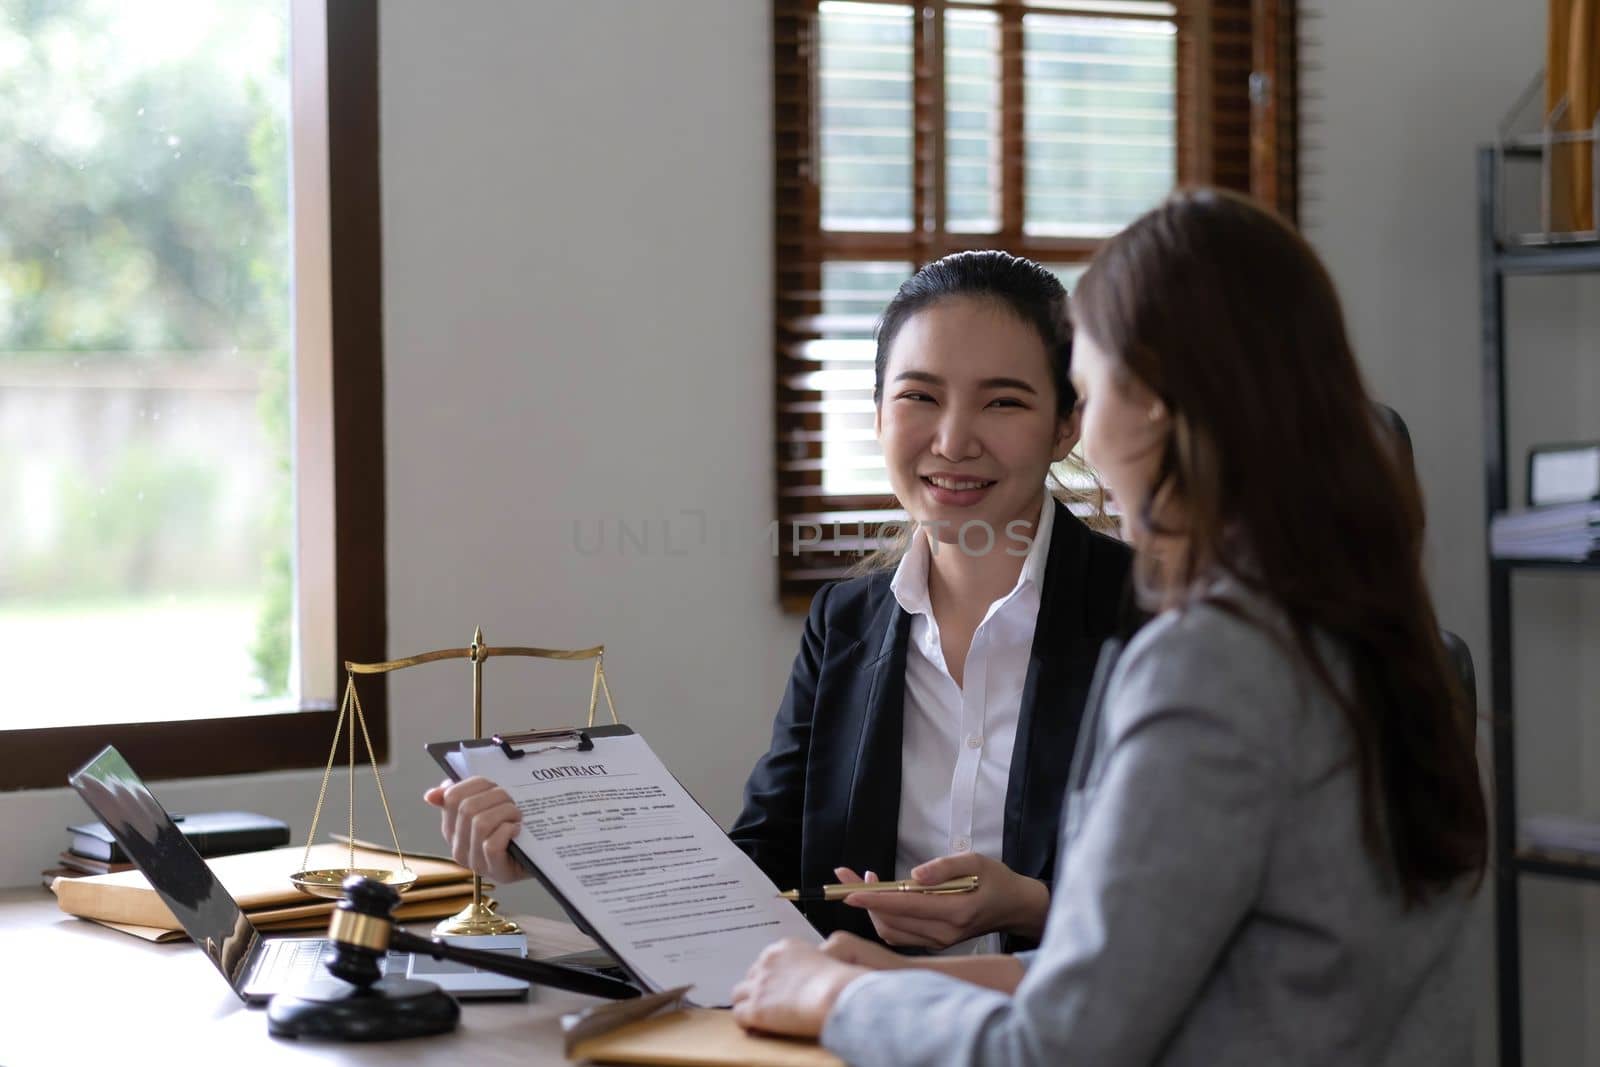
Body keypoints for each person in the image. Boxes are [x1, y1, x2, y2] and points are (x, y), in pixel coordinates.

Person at [728, 189, 1489, 1066]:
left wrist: (843, 997)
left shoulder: (1210, 660)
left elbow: (1062, 1044)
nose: (1084, 429)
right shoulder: (1337, 626)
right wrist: (866, 980)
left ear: (1149, 404)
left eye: (1082, 390)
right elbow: (1157, 976)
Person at [426, 251, 1133, 955]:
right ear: (879, 413)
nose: (953, 441)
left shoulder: (1151, 615)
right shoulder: (845, 624)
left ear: (1066, 424)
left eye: (1003, 401)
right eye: (920, 396)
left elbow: (1197, 900)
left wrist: (1034, 906)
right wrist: (555, 850)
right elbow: (761, 870)